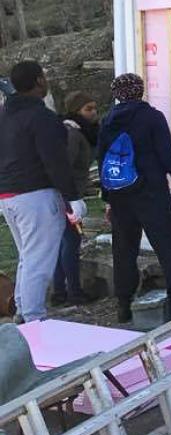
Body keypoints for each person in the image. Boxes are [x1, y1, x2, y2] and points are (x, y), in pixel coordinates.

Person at [97, 74, 171, 323]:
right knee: (167, 244)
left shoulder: (108, 121)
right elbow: (167, 153)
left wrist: (108, 198)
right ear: (140, 91)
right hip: (151, 192)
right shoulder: (152, 117)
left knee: (124, 250)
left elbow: (103, 162)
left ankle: (124, 305)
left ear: (117, 93)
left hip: (120, 195)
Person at [0, 61, 85, 322]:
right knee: (39, 261)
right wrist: (73, 197)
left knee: (27, 256)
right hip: (36, 194)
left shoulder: (4, 116)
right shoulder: (41, 117)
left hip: (7, 196)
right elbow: (55, 161)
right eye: (45, 77)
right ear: (39, 81)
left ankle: (23, 311)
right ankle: (34, 319)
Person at [51, 91, 100, 306]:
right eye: (88, 109)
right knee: (71, 242)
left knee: (63, 242)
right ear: (76, 111)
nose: (93, 113)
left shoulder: (77, 131)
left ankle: (60, 292)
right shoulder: (72, 134)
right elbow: (64, 168)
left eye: (94, 108)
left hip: (67, 194)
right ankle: (74, 292)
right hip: (67, 195)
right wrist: (71, 198)